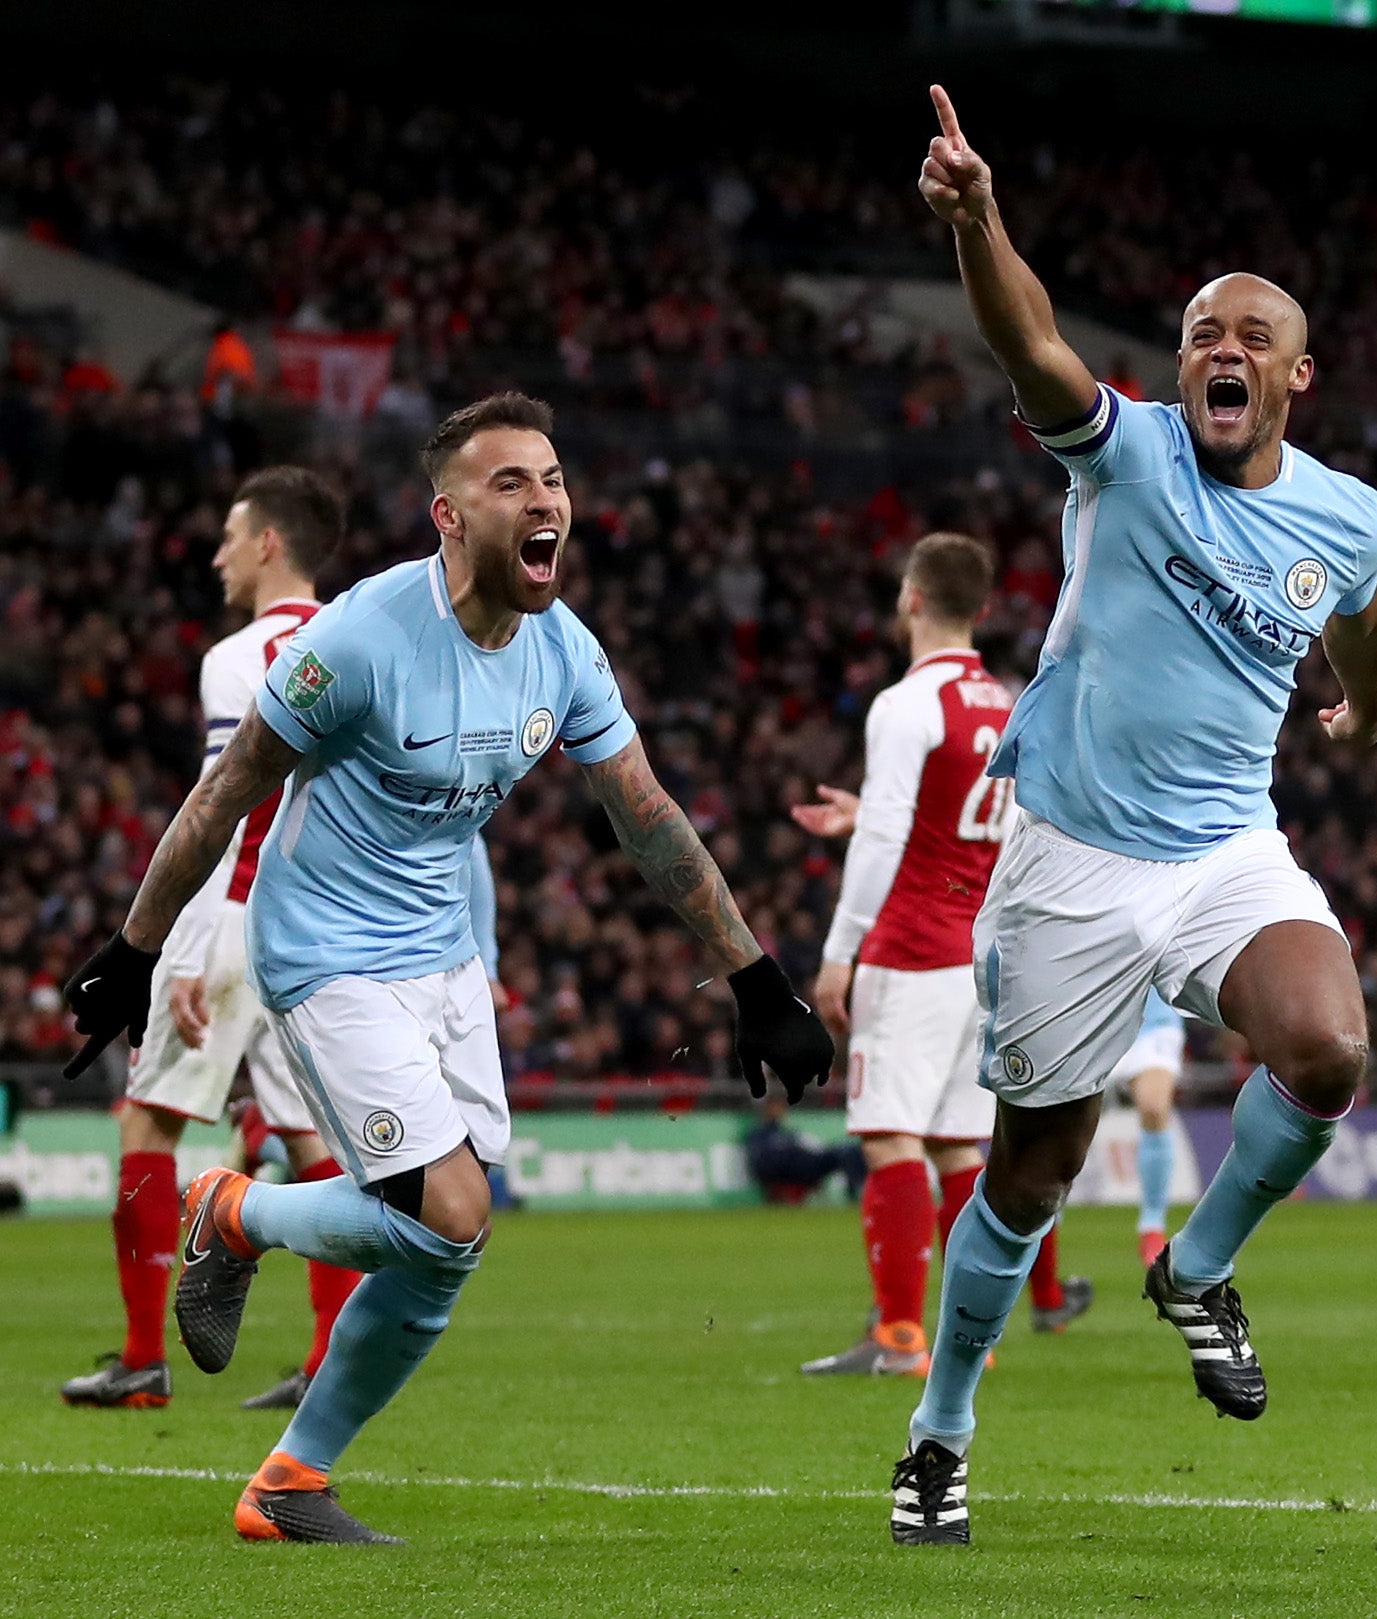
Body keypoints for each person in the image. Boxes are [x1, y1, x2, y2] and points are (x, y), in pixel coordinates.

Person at [61, 391, 833, 1545]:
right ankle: (236, 1212)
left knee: (449, 1243)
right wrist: (132, 949)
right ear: (448, 516)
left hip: (443, 952)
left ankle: (289, 1478)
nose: (547, 502)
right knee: (450, 1202)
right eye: (512, 482)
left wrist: (756, 975)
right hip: (323, 947)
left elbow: (646, 816)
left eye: (556, 479)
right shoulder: (360, 639)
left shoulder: (562, 649)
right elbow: (225, 794)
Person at [890, 87, 1377, 1546]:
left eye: (1251, 336)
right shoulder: (1126, 451)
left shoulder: (1345, 514)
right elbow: (1029, 339)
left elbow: (1364, 625)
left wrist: (1363, 706)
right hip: (1072, 856)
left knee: (1328, 1043)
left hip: (1227, 846)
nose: (1220, 350)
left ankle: (1197, 1262)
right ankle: (941, 1424)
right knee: (1031, 1171)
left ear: (1299, 374)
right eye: (1200, 334)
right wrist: (979, 221)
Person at [59, 467, 355, 1414]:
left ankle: (144, 1359)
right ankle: (324, 1361)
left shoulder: (238, 656)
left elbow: (220, 807)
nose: (218, 553)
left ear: (270, 543)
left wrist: (175, 956)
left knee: (147, 1124)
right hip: (321, 931)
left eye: (231, 535)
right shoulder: (362, 641)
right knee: (315, 1147)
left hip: (230, 921)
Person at [792, 533, 1090, 1381]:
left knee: (890, 1139)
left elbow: (892, 835)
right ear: (984, 609)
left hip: (912, 947)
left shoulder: (905, 702)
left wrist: (839, 952)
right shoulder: (1008, 700)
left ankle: (894, 1336)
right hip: (981, 957)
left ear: (911, 598)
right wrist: (871, 813)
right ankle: (971, 1340)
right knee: (961, 1147)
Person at [1115, 990, 1189, 1266]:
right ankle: (1047, 1229)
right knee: (1065, 1124)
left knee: (1154, 1108)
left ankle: (1152, 1227)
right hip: (1094, 1018)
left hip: (1153, 1021)